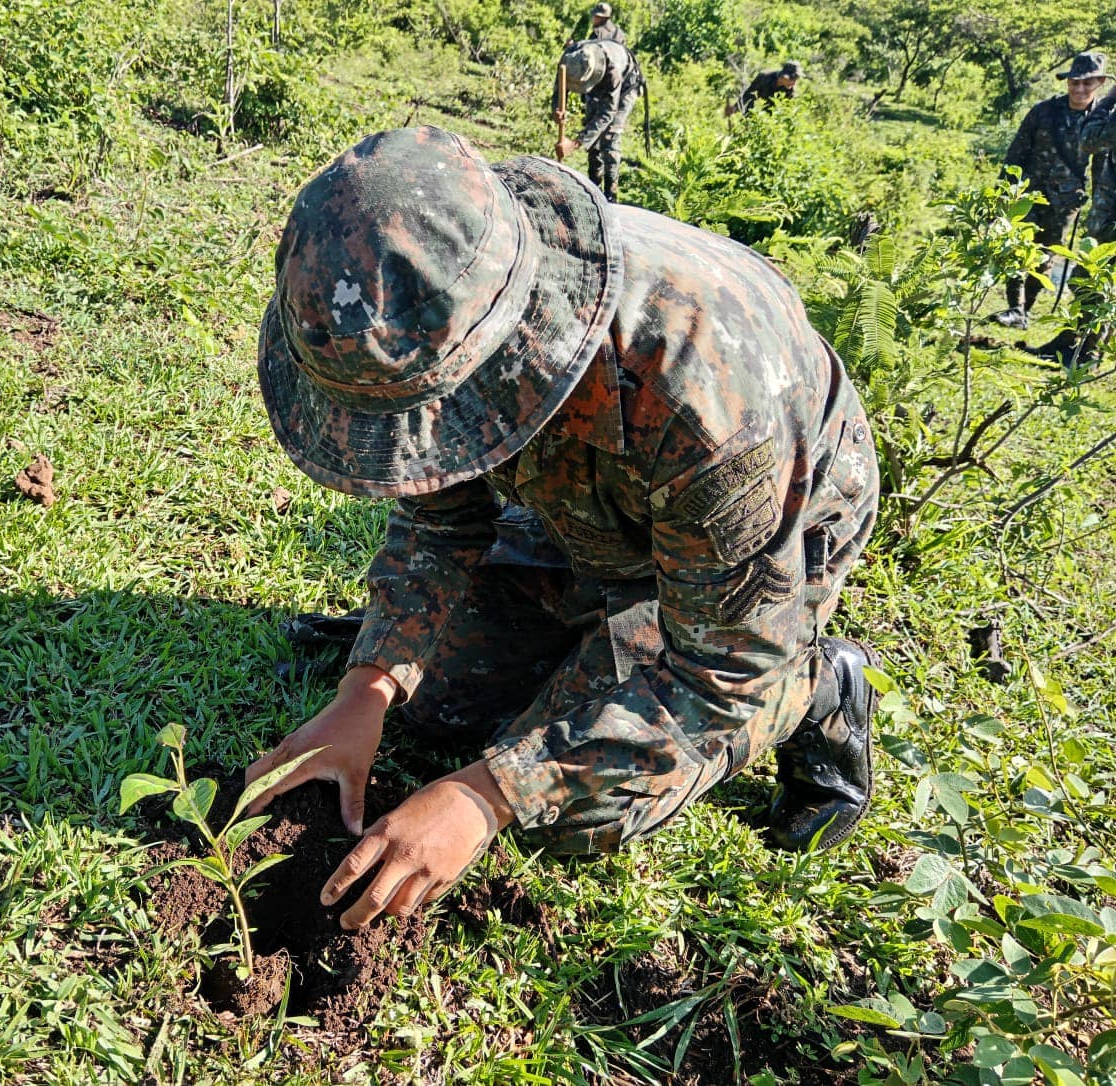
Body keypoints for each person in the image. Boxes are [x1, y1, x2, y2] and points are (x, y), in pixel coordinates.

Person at [244, 126, 881, 932]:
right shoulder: (457, 297)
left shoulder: (706, 401)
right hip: (585, 511)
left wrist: (486, 798)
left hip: (758, 544)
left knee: (579, 811)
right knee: (436, 707)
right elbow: (439, 515)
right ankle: (588, 623)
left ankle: (818, 684)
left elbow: (725, 667)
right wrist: (366, 690)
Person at [989, 51, 1108, 331]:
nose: (1080, 89)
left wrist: (1097, 209)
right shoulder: (1043, 111)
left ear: (1100, 83)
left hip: (1065, 201)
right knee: (1017, 248)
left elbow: (1101, 169)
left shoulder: (1100, 123)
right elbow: (1016, 153)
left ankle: (1025, 311)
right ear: (1068, 82)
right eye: (1075, 82)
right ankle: (1015, 307)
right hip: (1027, 193)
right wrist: (1002, 194)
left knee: (1045, 256)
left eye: (1087, 83)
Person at [1033, 76, 1116, 366]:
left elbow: (1089, 139)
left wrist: (1108, 100)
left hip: (1111, 218)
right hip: (1108, 213)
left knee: (1094, 278)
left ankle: (1085, 352)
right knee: (1098, 279)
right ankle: (1075, 343)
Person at [553, 38, 644, 202]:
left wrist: (574, 144)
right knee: (592, 131)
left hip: (625, 86)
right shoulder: (569, 57)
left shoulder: (613, 72)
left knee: (609, 136)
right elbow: (559, 85)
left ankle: (610, 195)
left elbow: (607, 113)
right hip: (600, 84)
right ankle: (594, 188)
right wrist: (557, 110)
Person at [729, 60, 802, 116]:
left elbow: (788, 110)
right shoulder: (765, 77)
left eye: (796, 80)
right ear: (784, 76)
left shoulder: (790, 90)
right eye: (792, 80)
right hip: (755, 108)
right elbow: (748, 94)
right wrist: (735, 109)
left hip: (771, 116)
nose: (794, 83)